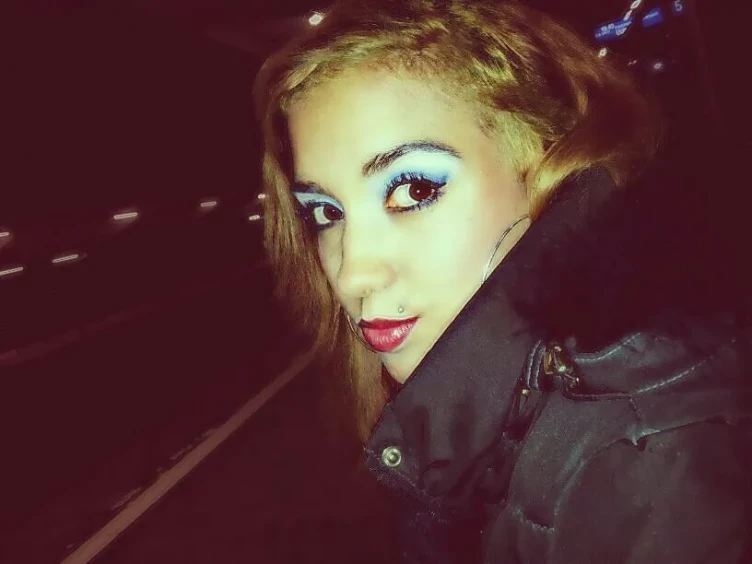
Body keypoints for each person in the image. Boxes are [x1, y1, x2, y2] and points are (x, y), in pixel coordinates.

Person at [252, 0, 752, 561]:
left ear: (550, 169)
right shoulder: (506, 413)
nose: (352, 273)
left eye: (414, 189)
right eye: (326, 213)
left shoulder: (655, 470)